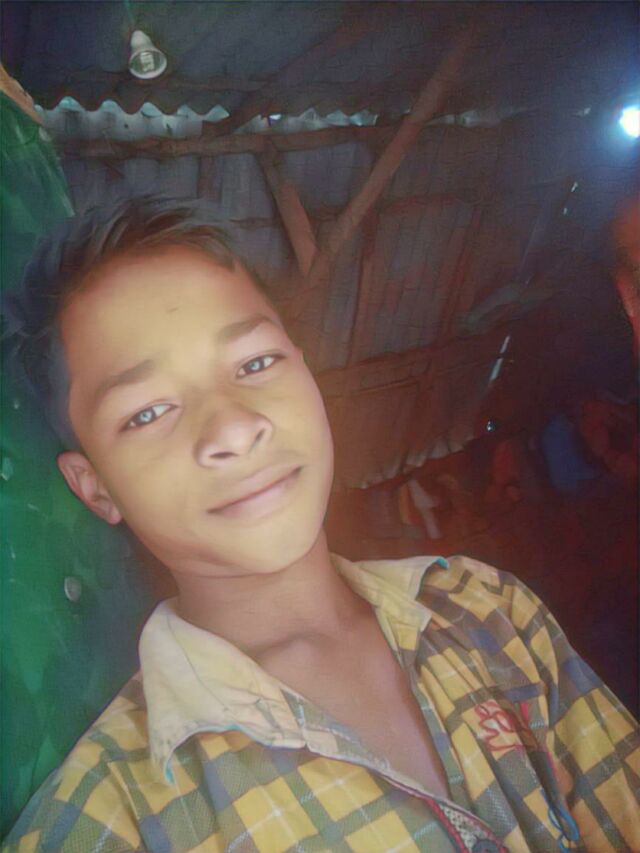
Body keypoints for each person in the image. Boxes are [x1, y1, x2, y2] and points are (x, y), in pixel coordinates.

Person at [2, 197, 638, 853]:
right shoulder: (112, 819)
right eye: (147, 412)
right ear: (96, 487)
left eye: (255, 363)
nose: (235, 428)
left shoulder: (489, 610)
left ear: (306, 370)